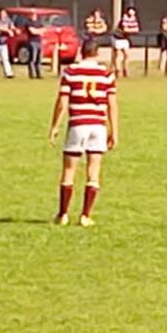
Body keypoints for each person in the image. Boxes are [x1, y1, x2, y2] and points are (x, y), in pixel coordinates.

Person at [48, 38, 118, 228]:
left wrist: (55, 125)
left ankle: (63, 214)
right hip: (98, 126)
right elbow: (111, 104)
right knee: (93, 172)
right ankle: (85, 216)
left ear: (81, 52)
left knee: (69, 170)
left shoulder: (70, 72)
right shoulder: (106, 74)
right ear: (97, 53)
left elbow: (62, 101)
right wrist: (114, 131)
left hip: (77, 124)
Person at [114, 5, 140, 77]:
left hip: (125, 38)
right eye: (130, 14)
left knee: (126, 54)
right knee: (118, 55)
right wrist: (132, 30)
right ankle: (117, 70)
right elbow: (125, 30)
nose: (132, 15)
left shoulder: (133, 19)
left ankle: (125, 69)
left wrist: (131, 30)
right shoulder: (124, 19)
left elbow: (137, 29)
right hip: (118, 38)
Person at [24, 11, 45, 79]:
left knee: (39, 59)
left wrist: (37, 31)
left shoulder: (39, 22)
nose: (34, 16)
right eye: (32, 15)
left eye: (35, 15)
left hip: (39, 42)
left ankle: (39, 74)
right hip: (32, 42)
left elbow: (44, 29)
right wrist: (39, 31)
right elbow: (32, 31)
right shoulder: (28, 23)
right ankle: (32, 74)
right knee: (33, 59)